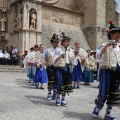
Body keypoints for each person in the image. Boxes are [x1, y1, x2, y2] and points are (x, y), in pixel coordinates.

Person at [92, 21, 120, 120]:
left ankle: (108, 113)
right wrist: (106, 46)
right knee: (104, 91)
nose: (118, 39)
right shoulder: (103, 45)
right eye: (116, 36)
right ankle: (97, 108)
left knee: (114, 92)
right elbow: (98, 56)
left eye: (119, 37)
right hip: (106, 72)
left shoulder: (118, 47)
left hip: (116, 73)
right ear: (111, 35)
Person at [53, 30, 74, 107]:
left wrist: (74, 54)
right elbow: (54, 61)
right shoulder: (58, 50)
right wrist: (60, 56)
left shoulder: (70, 50)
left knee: (66, 84)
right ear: (62, 42)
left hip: (67, 68)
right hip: (60, 68)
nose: (68, 43)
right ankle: (58, 99)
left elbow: (72, 61)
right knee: (60, 84)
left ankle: (63, 100)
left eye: (69, 41)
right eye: (67, 41)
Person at [46, 33, 60, 100]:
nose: (56, 43)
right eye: (55, 42)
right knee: (50, 80)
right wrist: (46, 59)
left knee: (56, 80)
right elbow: (44, 58)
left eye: (57, 42)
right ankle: (49, 92)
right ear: (52, 42)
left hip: (57, 67)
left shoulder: (60, 50)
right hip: (50, 66)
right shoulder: (48, 50)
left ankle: (54, 93)